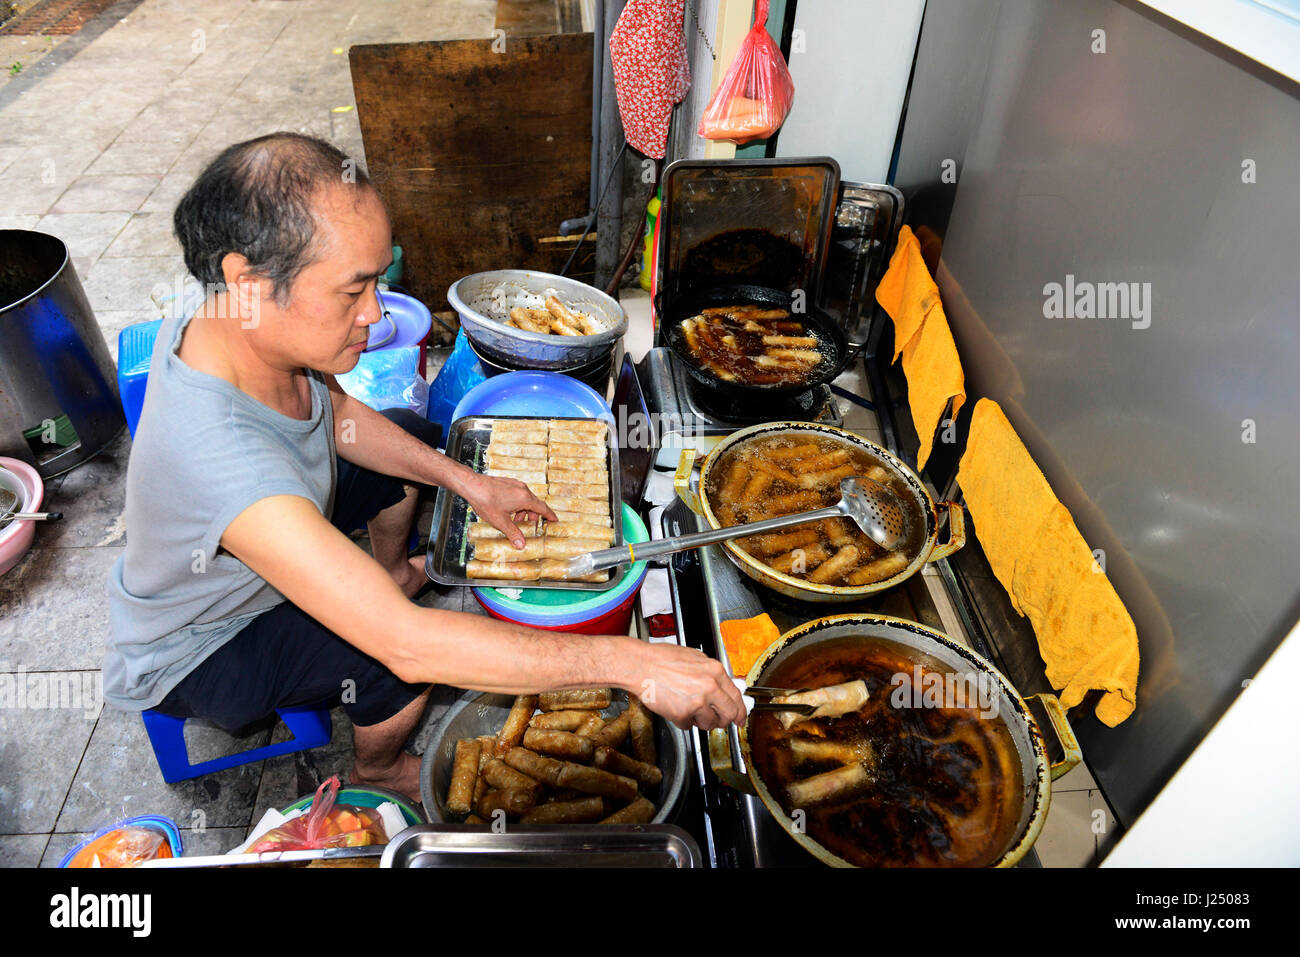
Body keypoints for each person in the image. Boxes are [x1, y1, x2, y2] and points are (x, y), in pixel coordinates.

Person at [103, 132, 744, 800]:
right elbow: (410, 644)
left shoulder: (237, 323)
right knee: (392, 659)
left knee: (411, 440)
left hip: (274, 538)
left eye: (377, 281)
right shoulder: (220, 457)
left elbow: (341, 420)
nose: (375, 312)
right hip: (208, 642)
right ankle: (376, 766)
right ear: (248, 280)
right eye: (353, 290)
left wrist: (469, 480)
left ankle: (385, 577)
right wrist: (634, 663)